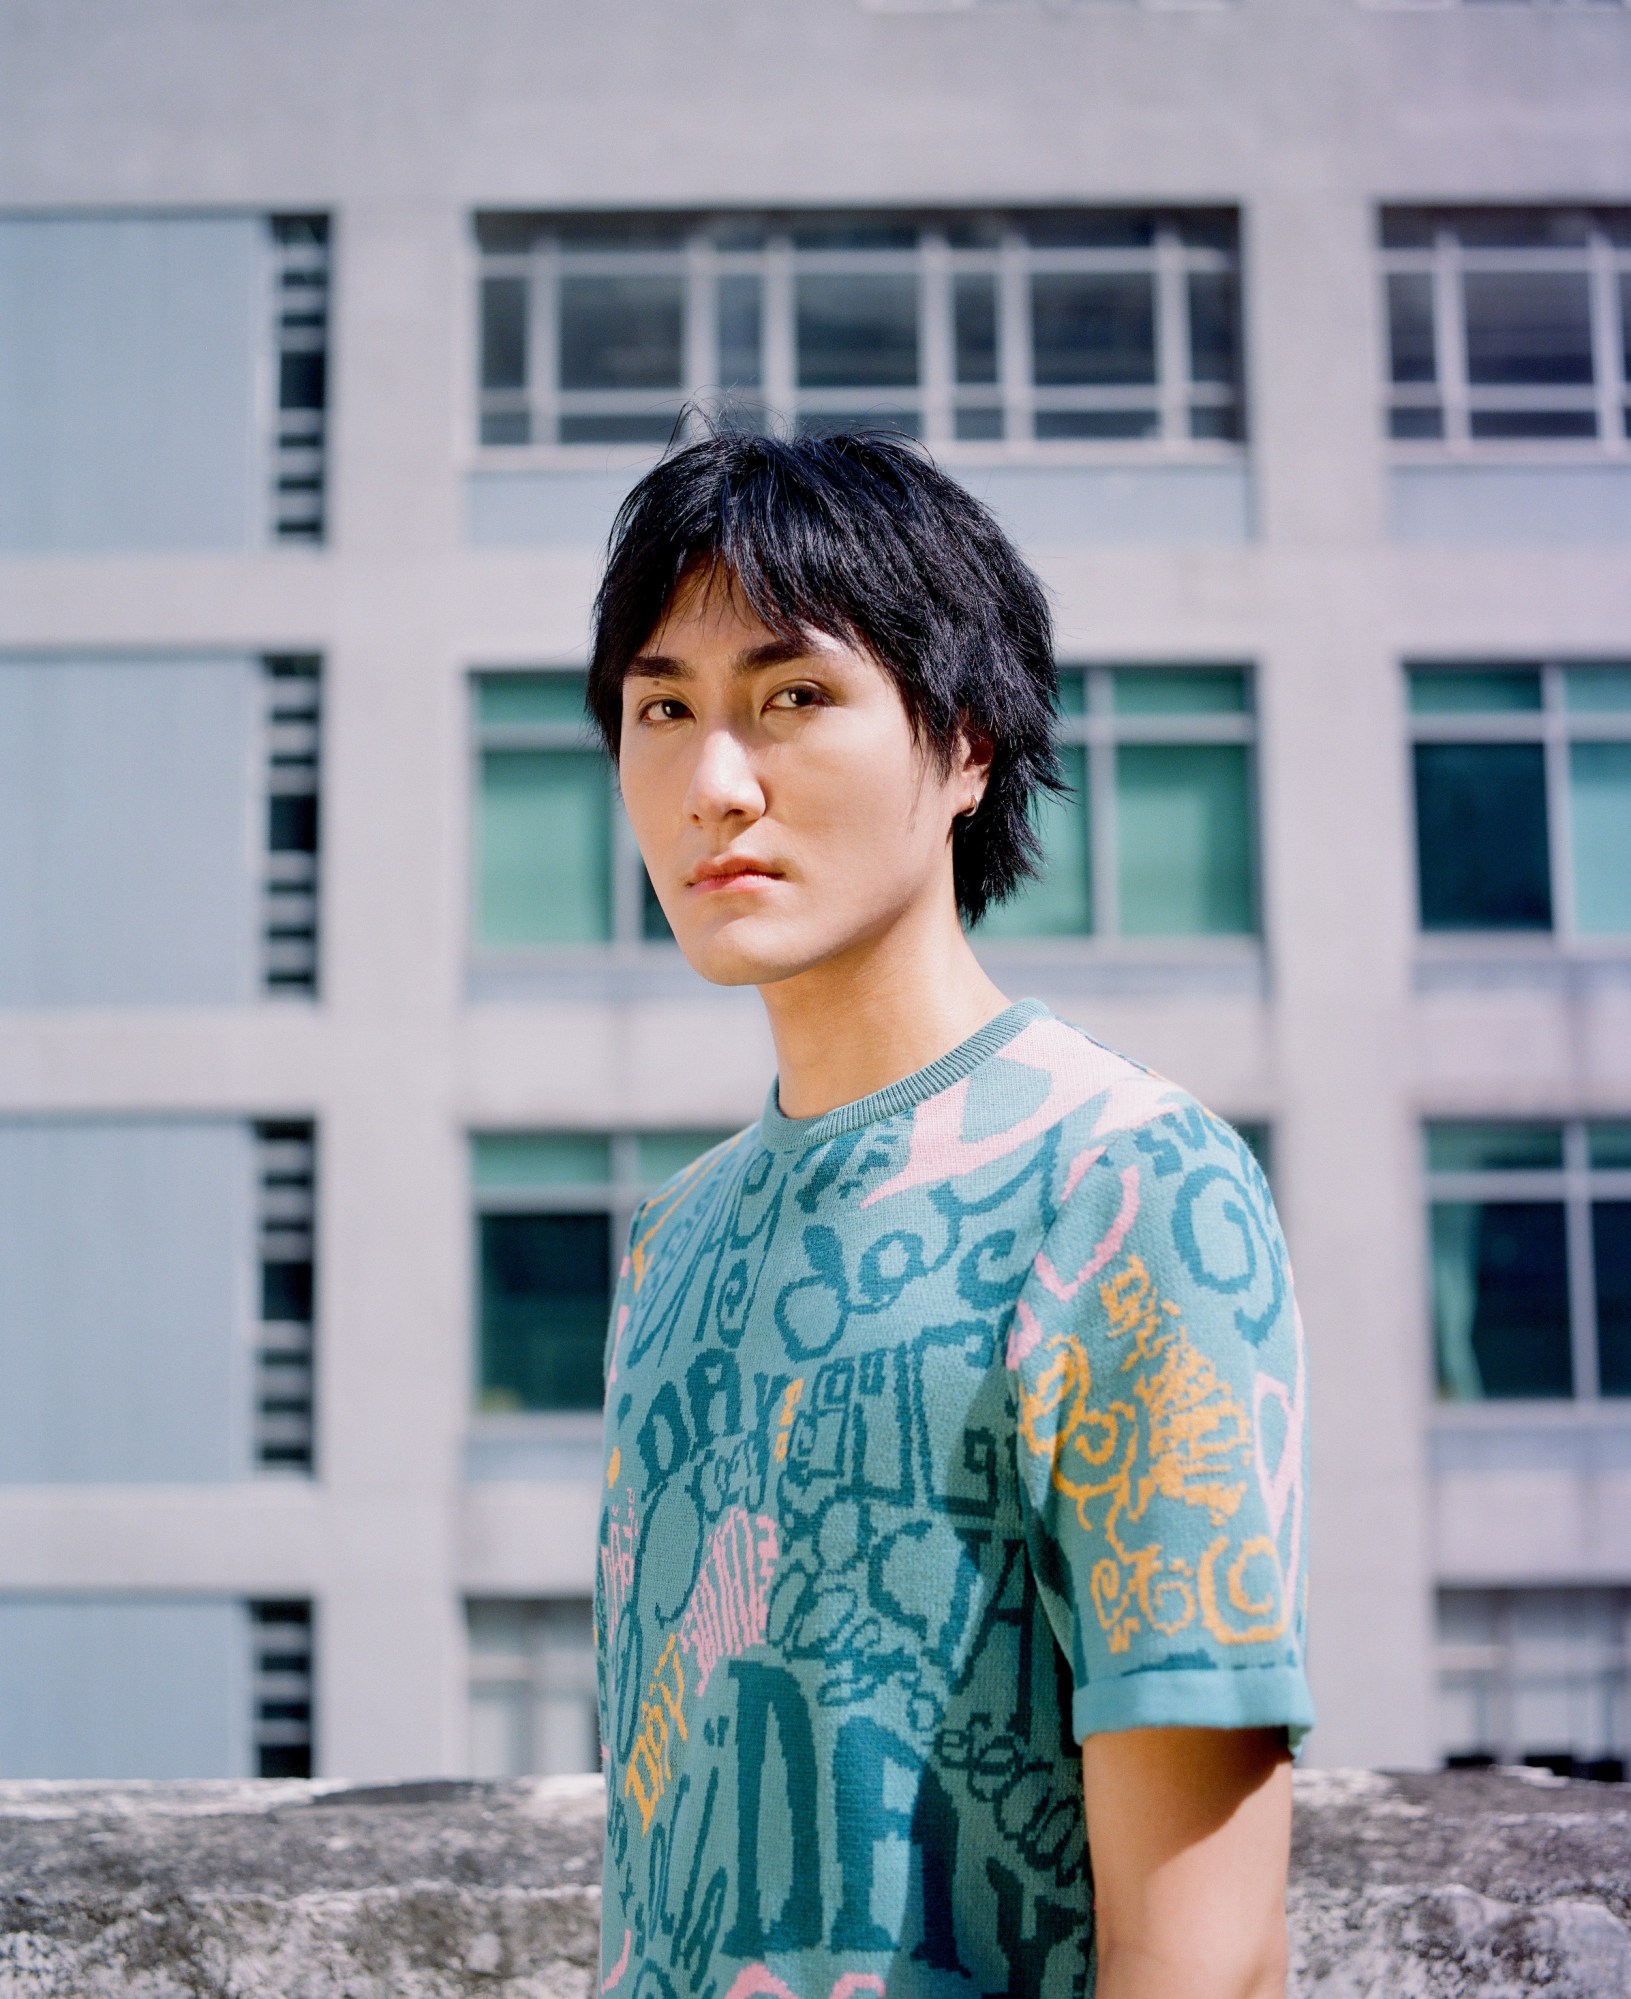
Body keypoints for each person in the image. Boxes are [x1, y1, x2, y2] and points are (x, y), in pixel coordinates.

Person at [586, 428, 1312, 1999]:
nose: (715, 784)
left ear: (967, 742)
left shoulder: (1126, 1187)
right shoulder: (676, 1241)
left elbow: (1208, 1951)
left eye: (792, 697)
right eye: (664, 710)